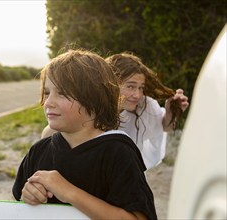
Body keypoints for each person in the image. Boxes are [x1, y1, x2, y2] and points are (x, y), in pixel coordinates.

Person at [12, 49, 157, 219]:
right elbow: (18, 206)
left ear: (94, 99)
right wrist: (28, 196)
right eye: (46, 93)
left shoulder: (117, 152)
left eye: (62, 93)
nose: (48, 103)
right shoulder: (39, 151)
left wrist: (68, 192)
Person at [41, 52, 189, 169]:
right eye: (130, 86)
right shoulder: (89, 110)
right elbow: (49, 140)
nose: (137, 94)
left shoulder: (144, 106)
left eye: (141, 88)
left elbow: (163, 127)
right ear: (111, 84)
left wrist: (171, 112)